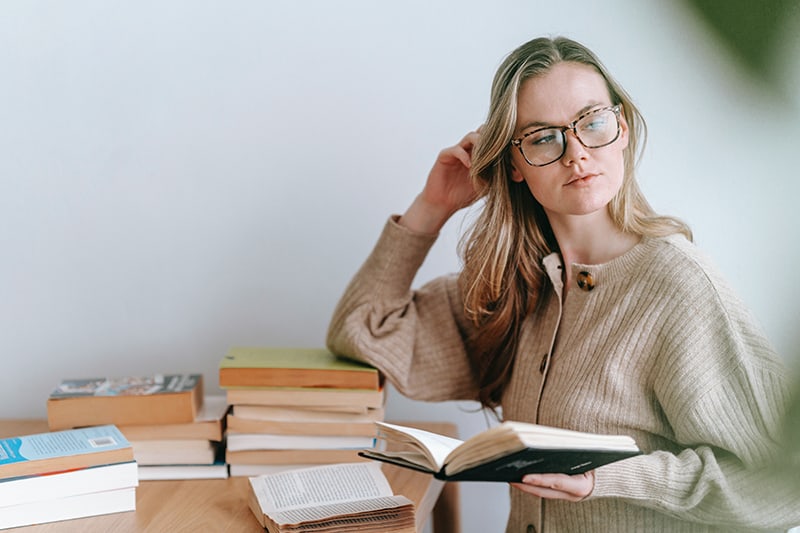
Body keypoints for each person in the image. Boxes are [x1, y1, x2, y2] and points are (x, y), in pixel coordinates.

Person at [326, 36, 800, 532]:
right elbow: (363, 330)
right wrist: (433, 206)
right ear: (513, 163)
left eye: (591, 122)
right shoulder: (517, 283)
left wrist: (614, 477)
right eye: (543, 137)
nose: (575, 153)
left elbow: (784, 483)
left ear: (620, 128)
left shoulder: (679, 287)